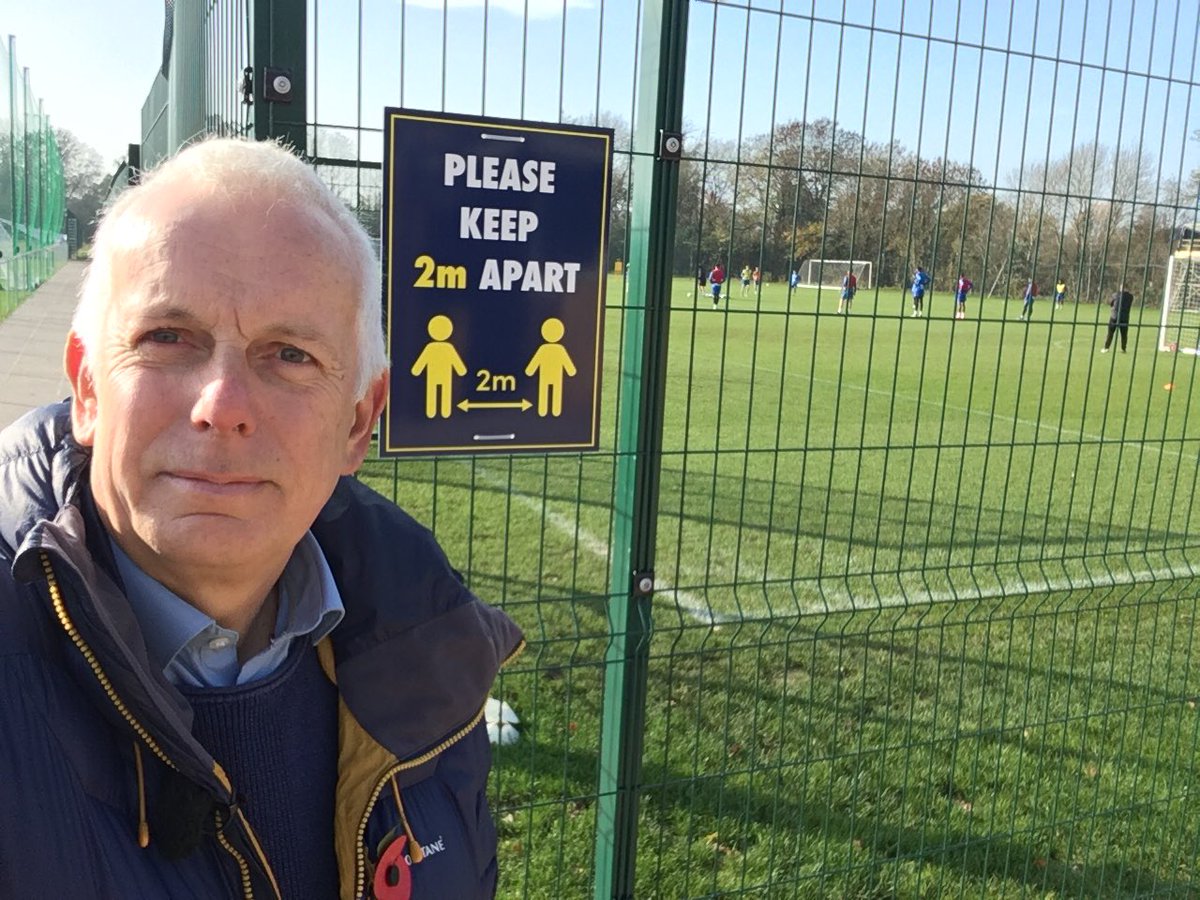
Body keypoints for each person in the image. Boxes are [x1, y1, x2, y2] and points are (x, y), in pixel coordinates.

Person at [0, 138, 524, 898]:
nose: (222, 406)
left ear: (358, 423)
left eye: (289, 354)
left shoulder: (431, 653)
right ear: (87, 389)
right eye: (167, 337)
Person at [1102, 287, 1135, 353]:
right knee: (1124, 335)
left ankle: (1106, 347)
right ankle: (1123, 349)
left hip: (1114, 316)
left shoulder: (1115, 295)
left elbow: (1111, 303)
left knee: (1110, 333)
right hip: (1124, 318)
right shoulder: (1130, 297)